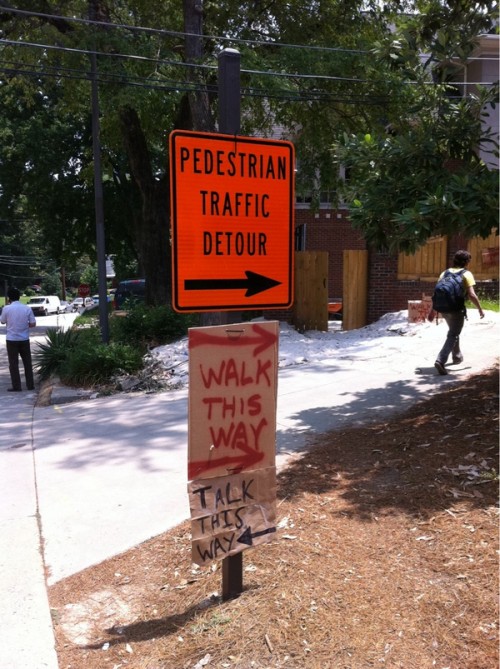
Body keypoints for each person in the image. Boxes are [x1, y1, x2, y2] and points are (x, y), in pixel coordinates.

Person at [427, 250, 485, 375]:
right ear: (467, 262)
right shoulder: (466, 274)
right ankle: (440, 360)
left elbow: (436, 293)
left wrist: (432, 310)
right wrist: (480, 309)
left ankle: (457, 356)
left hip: (443, 309)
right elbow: (471, 295)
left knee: (453, 331)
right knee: (453, 333)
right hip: (456, 309)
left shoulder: (444, 273)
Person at [0, 286, 36, 391]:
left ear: (9, 298)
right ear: (19, 297)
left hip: (11, 339)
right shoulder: (27, 308)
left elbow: (2, 321)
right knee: (27, 362)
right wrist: (24, 326)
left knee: (13, 364)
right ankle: (30, 385)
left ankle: (16, 386)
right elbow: (33, 324)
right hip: (24, 339)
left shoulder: (6, 308)